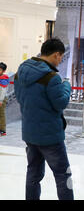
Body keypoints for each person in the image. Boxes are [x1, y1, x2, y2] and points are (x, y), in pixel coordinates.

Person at [14, 38, 73, 200]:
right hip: (50, 137)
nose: (60, 60)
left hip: (30, 134)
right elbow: (60, 103)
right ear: (55, 55)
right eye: (61, 57)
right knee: (63, 175)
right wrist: (66, 86)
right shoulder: (51, 77)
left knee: (33, 174)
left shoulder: (21, 70)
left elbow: (20, 98)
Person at [0, 62, 9, 136]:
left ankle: (2, 130)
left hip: (1, 99)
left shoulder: (3, 78)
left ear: (3, 71)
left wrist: (1, 100)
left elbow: (3, 91)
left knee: (1, 114)